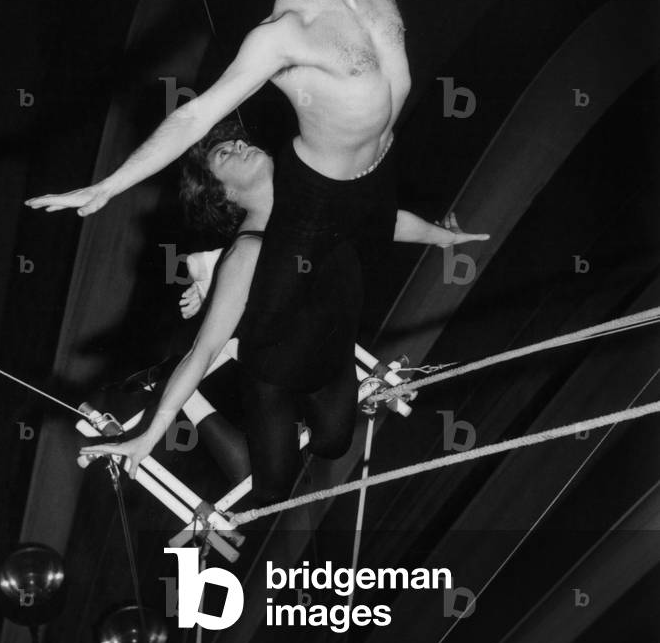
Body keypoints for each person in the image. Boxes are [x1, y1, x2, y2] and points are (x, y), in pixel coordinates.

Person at [28, 0, 478, 497]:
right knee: (273, 419)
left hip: (375, 179)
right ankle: (248, 370)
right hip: (316, 199)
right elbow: (195, 116)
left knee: (334, 436)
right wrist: (111, 184)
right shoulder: (283, 35)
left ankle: (274, 333)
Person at [80, 122, 488, 498]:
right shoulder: (246, 253)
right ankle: (178, 374)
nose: (239, 144)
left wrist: (444, 238)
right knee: (272, 488)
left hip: (331, 357)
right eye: (225, 154)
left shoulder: (318, 198)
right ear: (224, 194)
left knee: (332, 443)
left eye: (237, 141)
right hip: (272, 374)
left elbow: (389, 223)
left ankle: (208, 278)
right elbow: (203, 352)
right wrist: (150, 433)